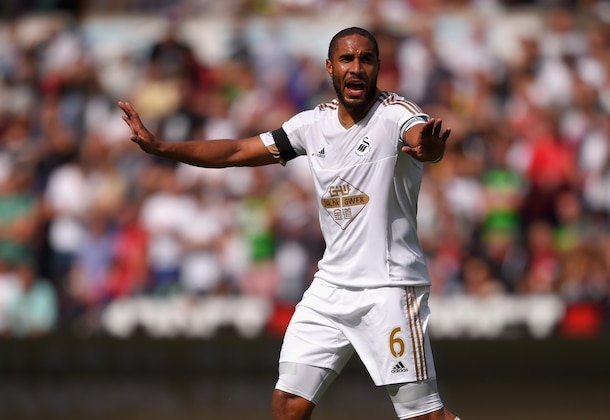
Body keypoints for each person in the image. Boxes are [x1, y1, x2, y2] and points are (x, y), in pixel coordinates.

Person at [119, 26, 459, 420]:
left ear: (379, 67)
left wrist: (430, 147)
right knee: (288, 406)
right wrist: (161, 147)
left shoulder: (395, 113)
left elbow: (422, 137)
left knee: (424, 417)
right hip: (331, 288)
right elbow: (236, 150)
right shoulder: (310, 125)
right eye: (347, 59)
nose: (357, 68)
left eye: (366, 60)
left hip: (388, 286)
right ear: (330, 67)